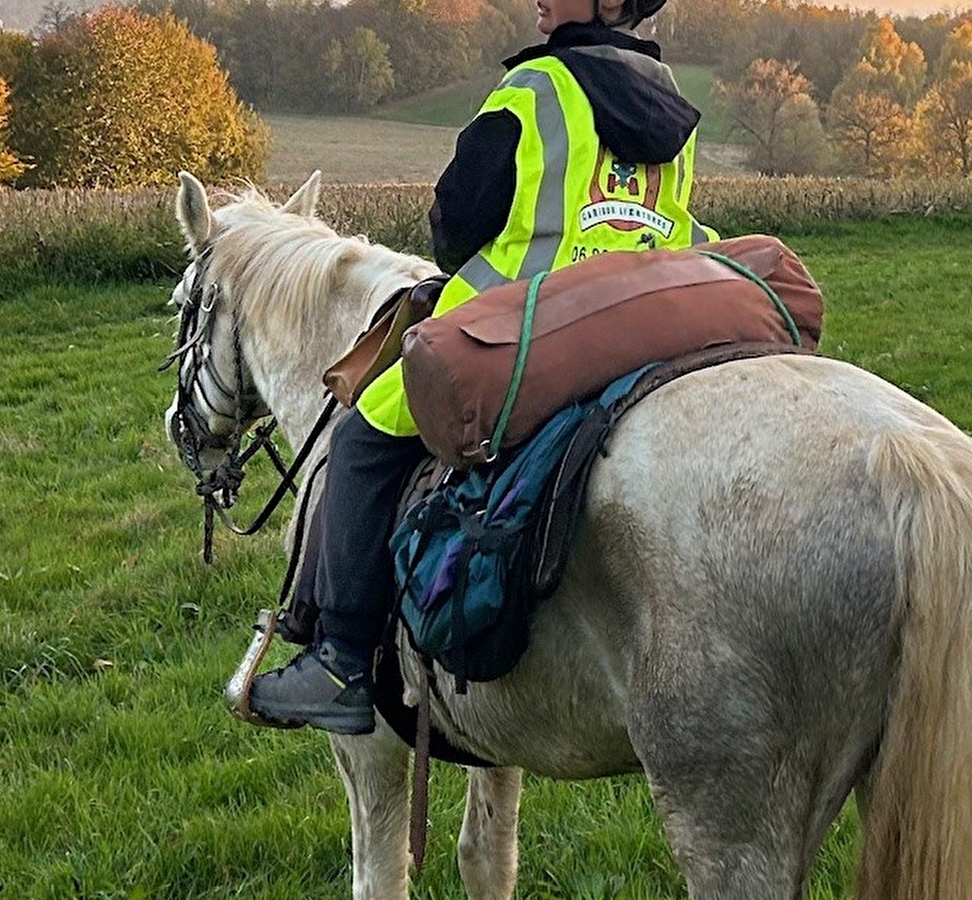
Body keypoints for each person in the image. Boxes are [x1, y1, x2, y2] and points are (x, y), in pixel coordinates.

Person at [248, 0, 718, 734]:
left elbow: (454, 228)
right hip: (640, 331)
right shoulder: (672, 101)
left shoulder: (535, 89)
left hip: (519, 334)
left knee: (361, 439)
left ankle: (339, 661)